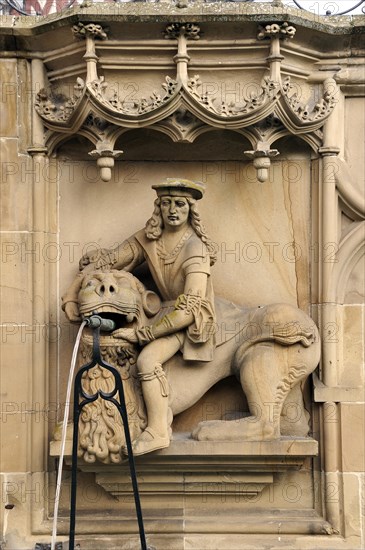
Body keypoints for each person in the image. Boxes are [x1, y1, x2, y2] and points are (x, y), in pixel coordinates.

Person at [62, 178, 217, 455]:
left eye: (180, 204)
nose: (172, 210)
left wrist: (142, 334)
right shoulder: (149, 236)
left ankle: (158, 430)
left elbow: (189, 309)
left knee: (147, 360)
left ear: (190, 210)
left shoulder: (197, 249)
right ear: (158, 207)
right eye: (166, 203)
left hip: (186, 320)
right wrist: (72, 295)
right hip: (162, 312)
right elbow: (107, 261)